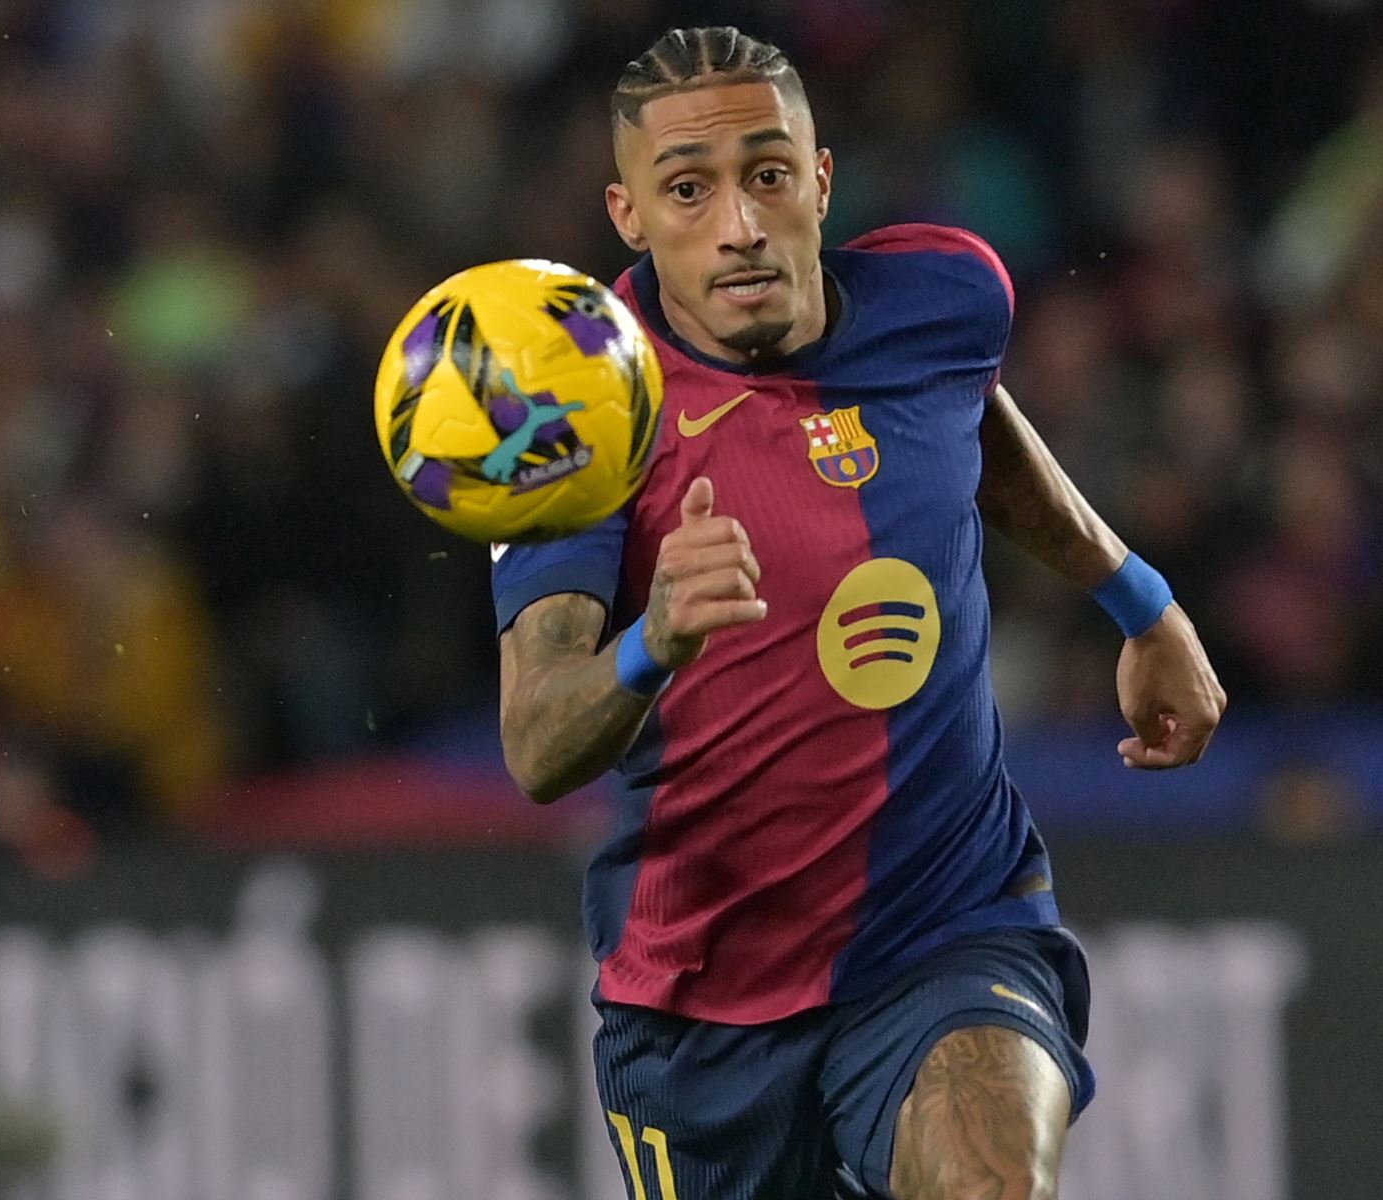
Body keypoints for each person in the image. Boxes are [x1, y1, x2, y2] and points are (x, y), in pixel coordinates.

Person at [492, 26, 1225, 1200]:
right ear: (627, 216)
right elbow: (537, 743)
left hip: (944, 924)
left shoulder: (942, 297)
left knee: (992, 1185)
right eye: (689, 190)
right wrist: (652, 641)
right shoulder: (580, 412)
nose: (739, 225)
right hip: (701, 1003)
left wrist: (1140, 601)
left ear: (821, 181)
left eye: (767, 174)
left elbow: (975, 428)